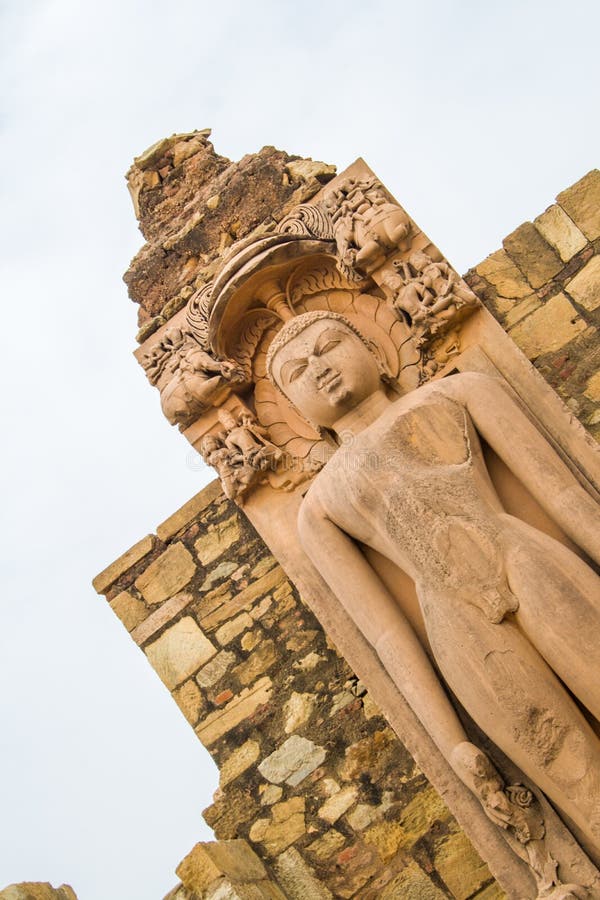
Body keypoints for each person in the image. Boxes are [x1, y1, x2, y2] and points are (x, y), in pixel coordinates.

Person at [266, 309, 600, 859]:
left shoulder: (460, 392)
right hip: (457, 624)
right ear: (296, 410)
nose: (319, 368)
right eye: (298, 371)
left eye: (329, 345)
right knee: (575, 777)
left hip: (526, 560)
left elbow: (563, 497)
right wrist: (451, 743)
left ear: (373, 348)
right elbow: (388, 637)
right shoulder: (319, 507)